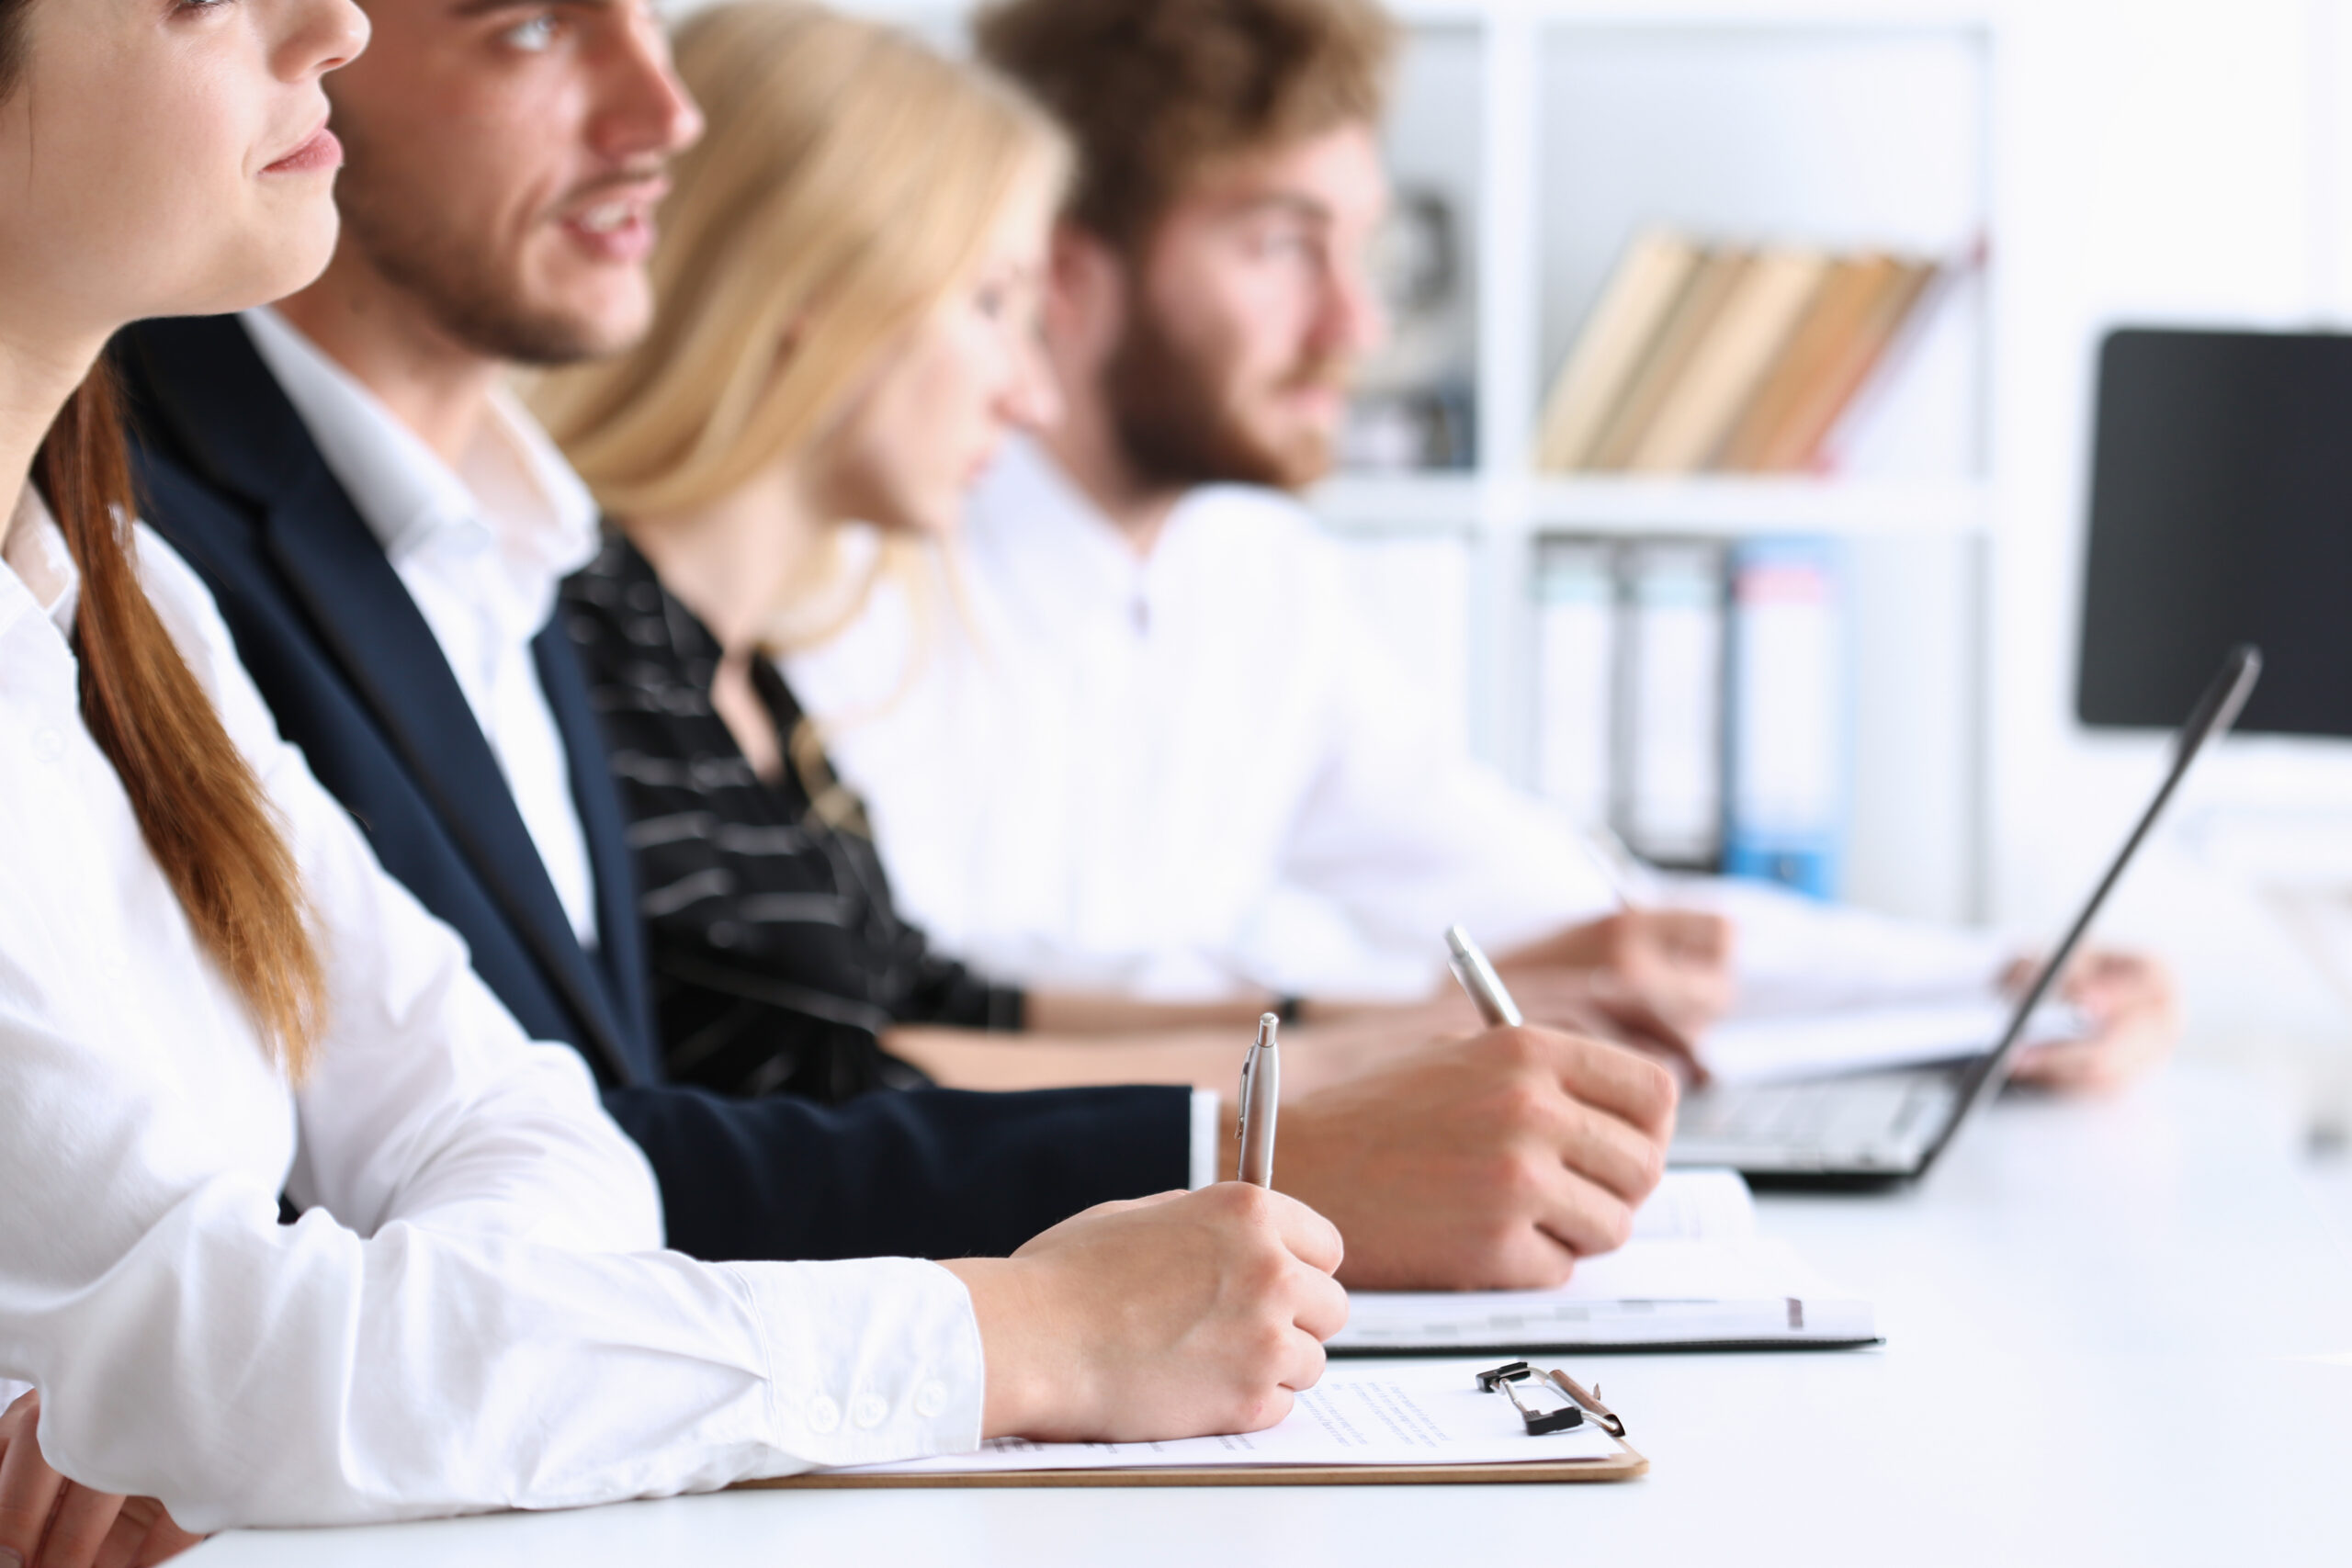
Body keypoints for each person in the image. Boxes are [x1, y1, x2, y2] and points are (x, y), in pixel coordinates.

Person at [0, 0, 1349, 1549]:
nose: (330, 25)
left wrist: (373, 1363)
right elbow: (242, 1355)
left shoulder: (122, 590)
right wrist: (1017, 1335)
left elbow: (521, 1126)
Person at [120, 0, 1678, 1291]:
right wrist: (1269, 1137)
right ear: (815, 297)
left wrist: (1328, 1067)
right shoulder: (232, 538)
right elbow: (674, 1119)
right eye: (530, 27)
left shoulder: (516, 557)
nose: (662, 112)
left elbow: (704, 1079)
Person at [779, 0, 2178, 1094]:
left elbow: (1571, 910)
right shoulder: (860, 575)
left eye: (1361, 251)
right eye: (1282, 246)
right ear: (1068, 271)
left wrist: (2004, 983)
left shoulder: (1252, 577)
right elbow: (927, 999)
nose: (1356, 328)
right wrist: (1381, 1011)